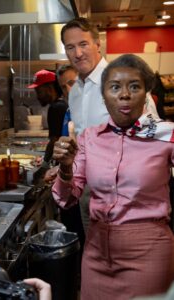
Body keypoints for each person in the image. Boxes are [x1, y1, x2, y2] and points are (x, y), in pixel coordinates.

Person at [51, 53, 174, 300]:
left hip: (149, 252)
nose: (124, 94)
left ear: (146, 94)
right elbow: (67, 198)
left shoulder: (165, 135)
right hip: (96, 252)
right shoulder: (89, 138)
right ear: (104, 95)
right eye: (115, 87)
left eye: (135, 87)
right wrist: (65, 168)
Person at [27, 69, 68, 167]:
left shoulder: (55, 108)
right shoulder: (63, 104)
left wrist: (44, 165)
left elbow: (54, 141)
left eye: (38, 91)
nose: (37, 96)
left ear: (49, 88)